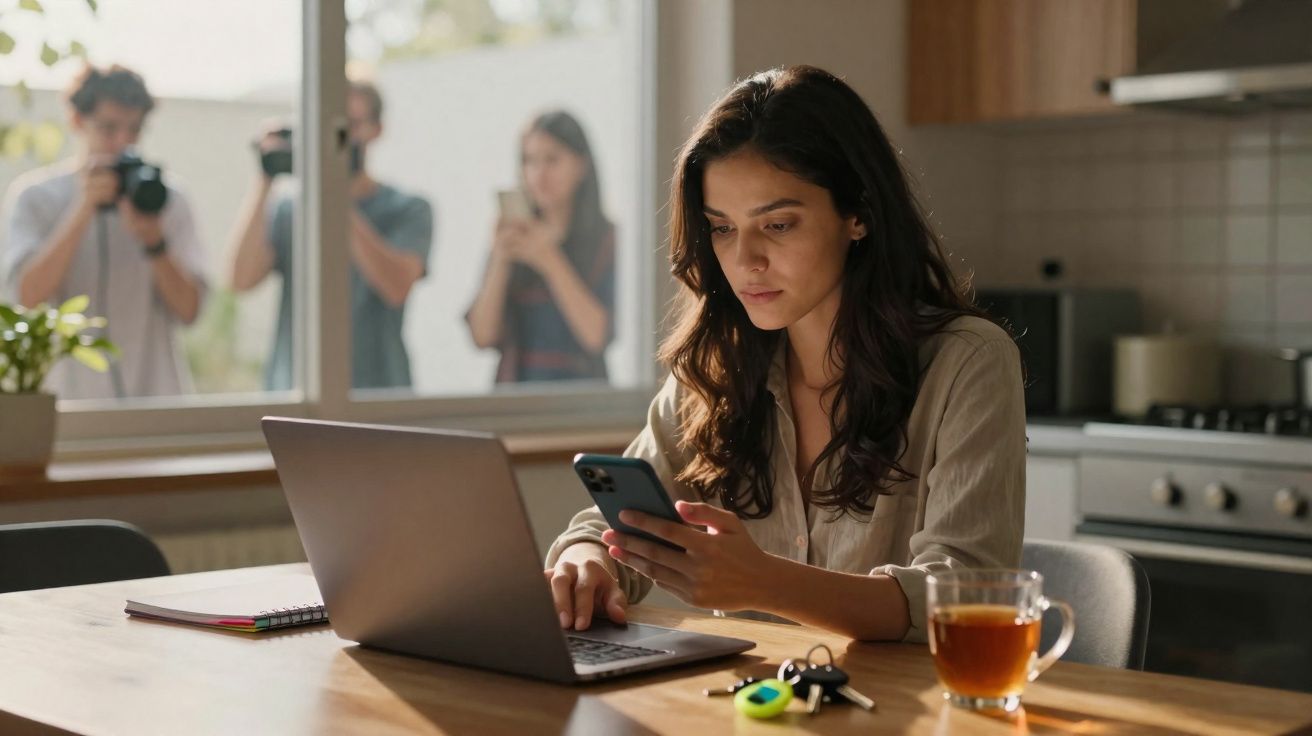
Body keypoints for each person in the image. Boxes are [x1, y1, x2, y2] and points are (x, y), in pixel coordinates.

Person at [543, 66, 1026, 643]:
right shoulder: (716, 367)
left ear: (859, 214)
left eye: (777, 224)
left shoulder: (967, 363)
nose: (745, 259)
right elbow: (618, 520)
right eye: (722, 228)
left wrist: (765, 582)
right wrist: (587, 560)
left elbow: (963, 593)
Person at [1, 64, 206, 399]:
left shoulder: (168, 199)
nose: (123, 143)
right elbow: (25, 298)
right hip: (69, 409)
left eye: (134, 129)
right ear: (77, 121)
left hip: (158, 402)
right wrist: (83, 210)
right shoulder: (36, 198)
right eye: (109, 128)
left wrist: (155, 243)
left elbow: (190, 312)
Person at [228, 81, 433, 391]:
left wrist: (333, 189)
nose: (335, 140)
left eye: (347, 126)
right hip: (295, 394)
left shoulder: (407, 209)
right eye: (323, 128)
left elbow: (396, 288)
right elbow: (240, 280)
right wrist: (266, 176)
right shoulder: (290, 210)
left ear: (376, 129)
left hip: (377, 395)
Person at [465, 110, 615, 384]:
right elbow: (482, 336)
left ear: (581, 165)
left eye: (552, 159)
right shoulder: (512, 235)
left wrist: (549, 260)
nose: (539, 174)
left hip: (583, 401)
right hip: (516, 397)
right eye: (529, 161)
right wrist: (500, 257)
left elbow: (596, 336)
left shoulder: (607, 238)